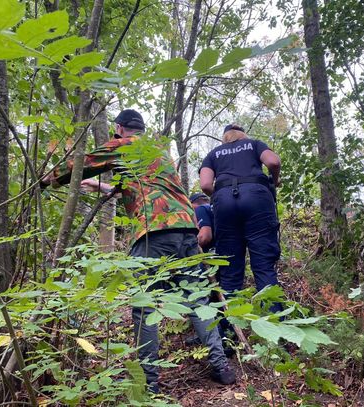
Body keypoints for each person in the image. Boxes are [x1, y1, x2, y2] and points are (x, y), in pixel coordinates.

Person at [42, 109, 235, 393]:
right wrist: (101, 186)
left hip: (153, 232)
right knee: (198, 300)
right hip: (186, 228)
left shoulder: (123, 145)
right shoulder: (159, 153)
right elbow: (145, 187)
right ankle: (221, 367)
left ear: (119, 129)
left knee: (144, 307)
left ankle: (150, 383)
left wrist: (46, 180)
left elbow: (81, 163)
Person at [199, 124, 282, 311]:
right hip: (257, 200)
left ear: (225, 137)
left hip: (224, 204)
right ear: (242, 134)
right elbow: (273, 162)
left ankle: (230, 330)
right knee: (263, 265)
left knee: (229, 268)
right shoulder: (254, 144)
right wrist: (274, 181)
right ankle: (275, 327)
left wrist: (221, 194)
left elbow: (205, 184)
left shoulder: (214, 153)